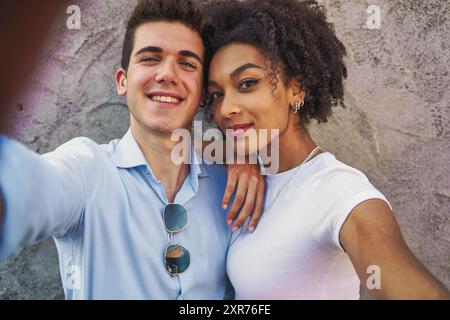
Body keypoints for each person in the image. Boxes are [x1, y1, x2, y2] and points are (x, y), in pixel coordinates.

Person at [0, 0, 265, 299]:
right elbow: (22, 189)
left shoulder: (230, 185)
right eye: (151, 58)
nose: (167, 74)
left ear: (203, 94)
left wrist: (243, 155)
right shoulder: (87, 171)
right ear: (122, 81)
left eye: (187, 63)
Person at [203, 0, 450, 299]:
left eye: (247, 83)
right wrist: (237, 157)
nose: (226, 108)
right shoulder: (257, 174)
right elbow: (166, 140)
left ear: (296, 88)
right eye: (216, 94)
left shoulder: (337, 189)